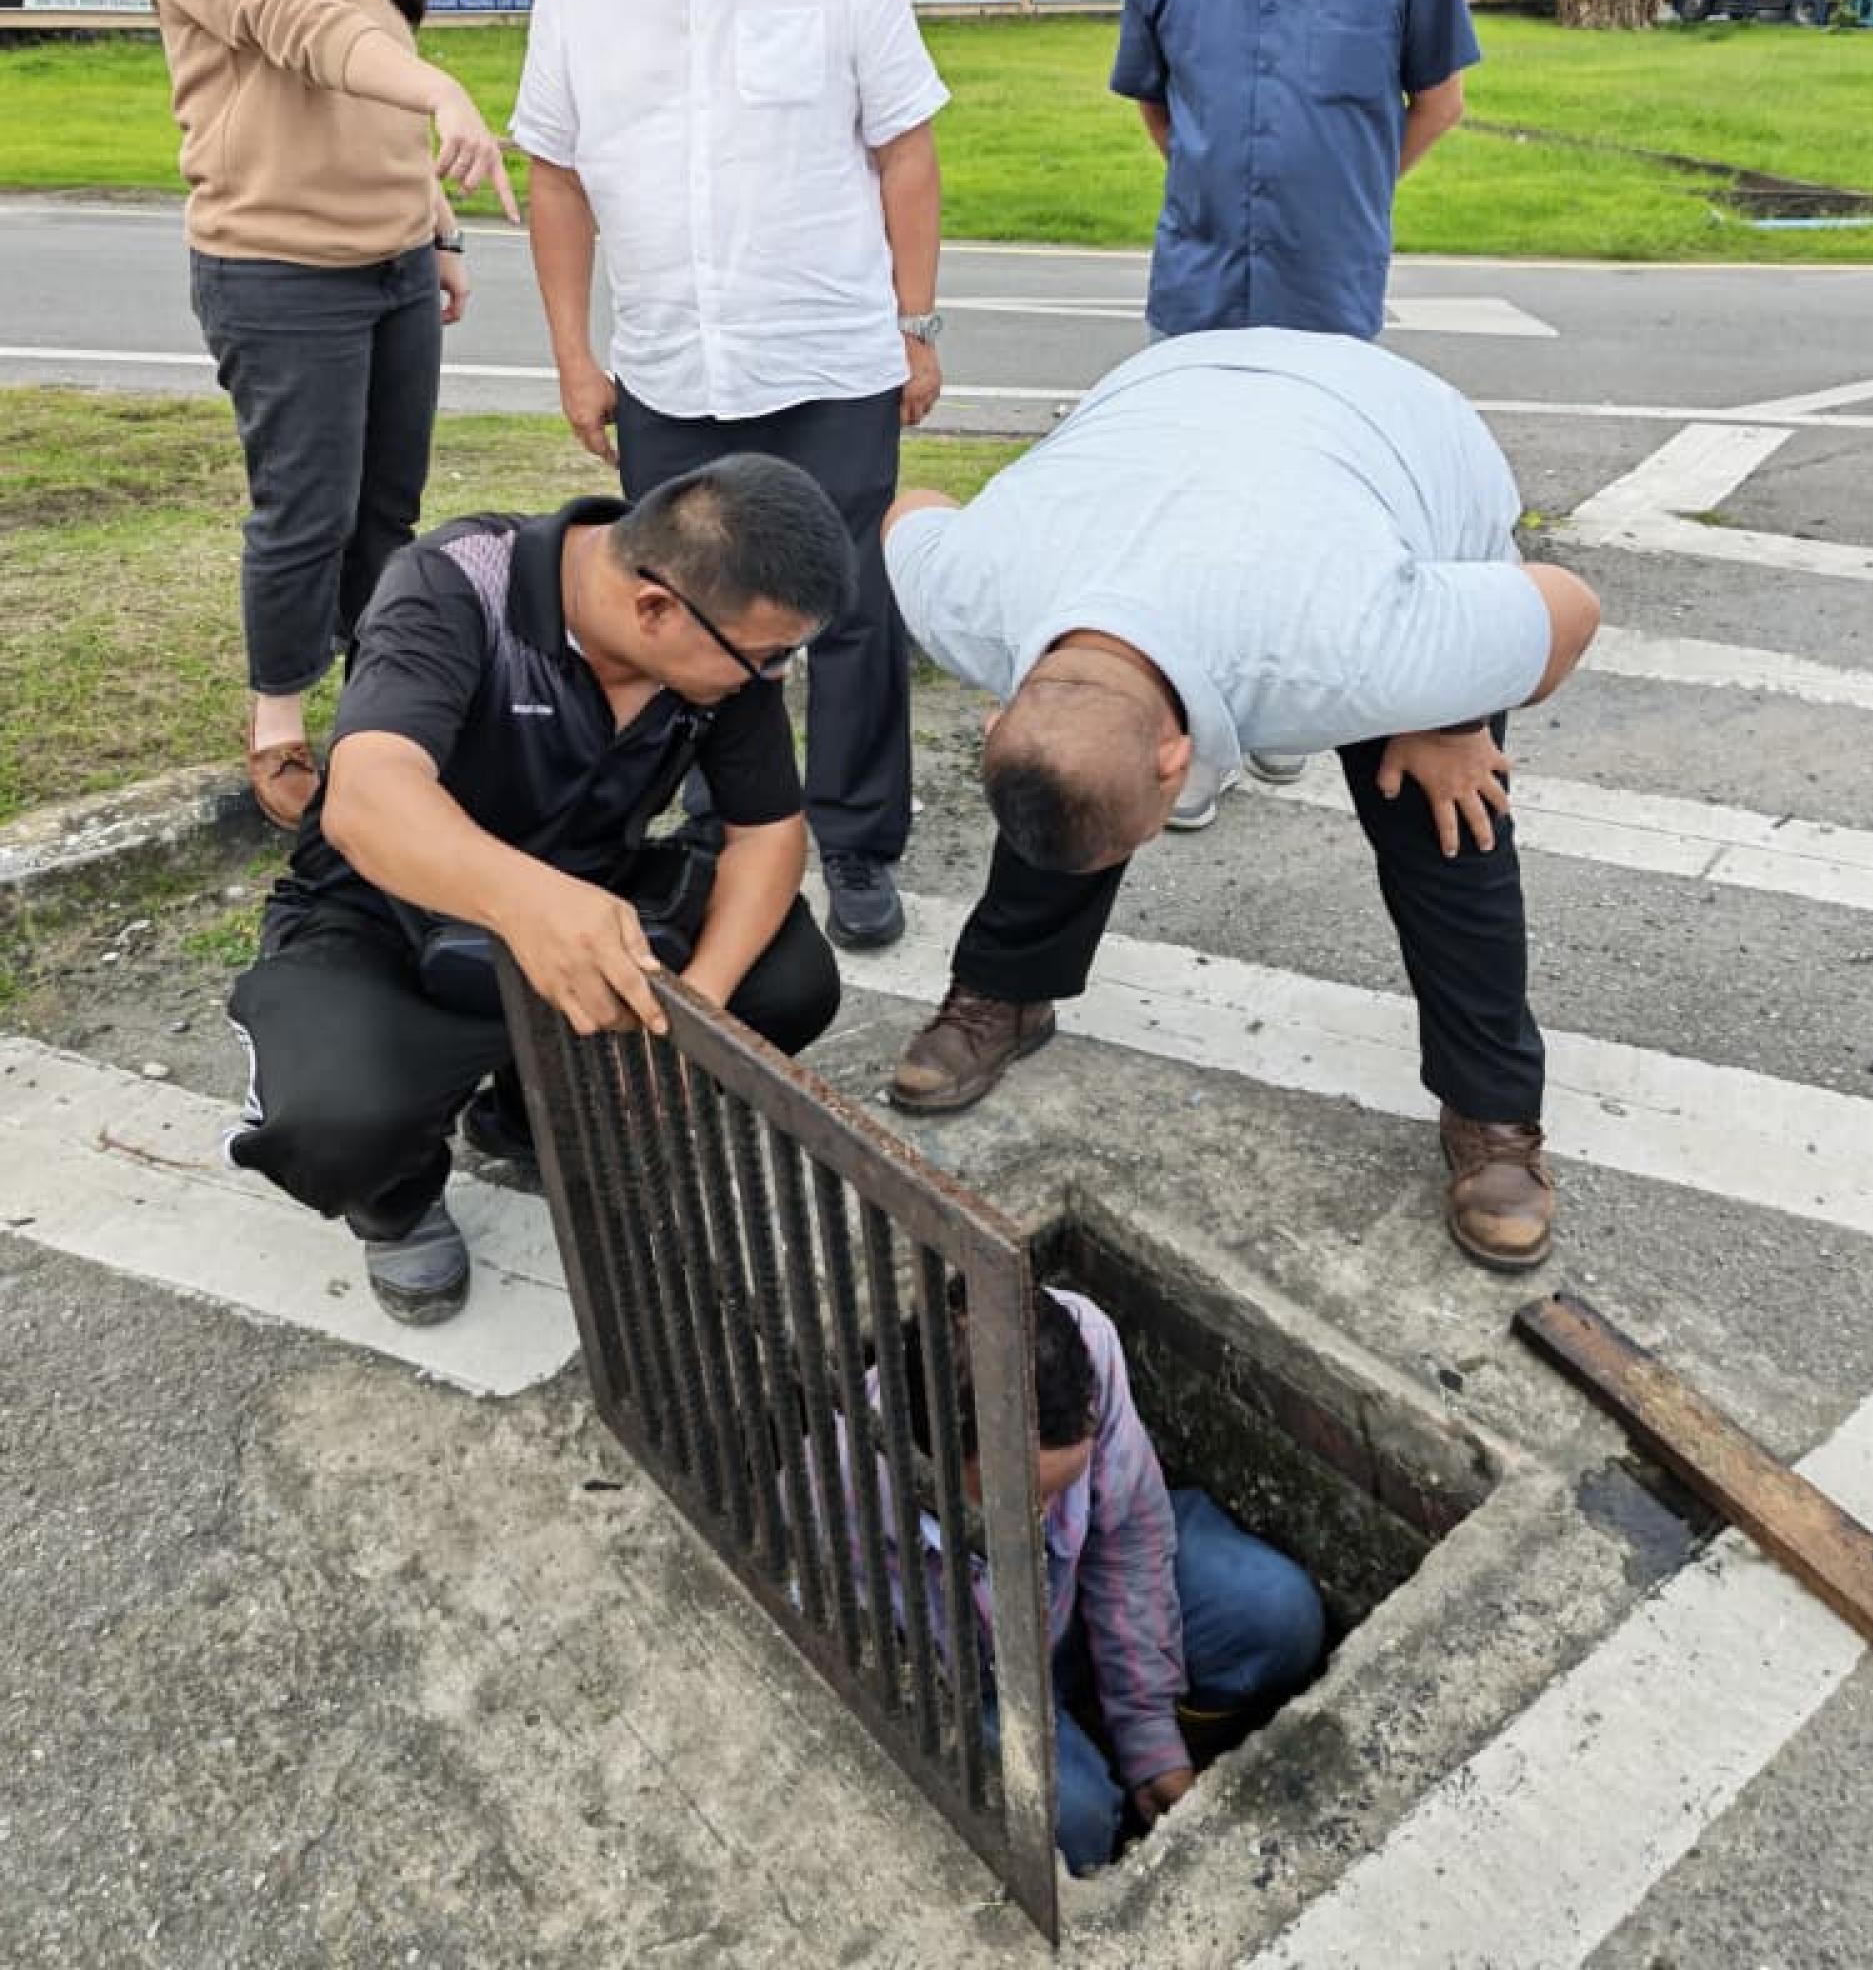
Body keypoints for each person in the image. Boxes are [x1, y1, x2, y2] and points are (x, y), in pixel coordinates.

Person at [880, 331, 1601, 1274]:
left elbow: (1567, 604)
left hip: (1392, 428)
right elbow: (915, 510)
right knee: (1062, 772)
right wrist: (1043, 709)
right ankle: (1004, 994)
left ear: (1184, 764)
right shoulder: (967, 598)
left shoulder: (1348, 646)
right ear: (992, 712)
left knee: (1444, 813)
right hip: (1175, 400)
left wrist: (1454, 712)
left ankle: (1494, 1111)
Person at [510, 0, 948, 954]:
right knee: (683, 608)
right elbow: (556, 171)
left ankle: (859, 841)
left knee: (849, 607)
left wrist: (915, 323)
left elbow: (902, 149)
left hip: (826, 355)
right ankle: (718, 825)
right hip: (668, 365)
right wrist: (575, 355)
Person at [222, 456, 853, 1325]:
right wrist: (527, 904)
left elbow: (768, 832)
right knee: (335, 1122)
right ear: (655, 608)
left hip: (586, 884)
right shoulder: (453, 589)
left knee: (783, 982)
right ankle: (397, 1202)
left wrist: (696, 1011)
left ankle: (530, 1117)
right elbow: (369, 796)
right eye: (768, 656)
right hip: (389, 913)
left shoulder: (721, 639)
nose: (771, 677)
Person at [138, 0, 519, 829]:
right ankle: (278, 721)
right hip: (277, 268)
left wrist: (439, 230)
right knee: (303, 511)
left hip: (396, 261)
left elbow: (371, 102)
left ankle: (381, 709)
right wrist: (443, 86)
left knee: (386, 510)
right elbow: (305, 32)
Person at [1118, 0, 1480, 828]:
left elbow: (1439, 100)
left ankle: (1296, 718)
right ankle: (1208, 735)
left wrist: (1346, 199)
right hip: (1201, 294)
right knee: (1201, 518)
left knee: (1315, 519)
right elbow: (1159, 113)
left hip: (1329, 295)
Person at [884, 1282, 1323, 1875]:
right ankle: (1098, 1780)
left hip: (1079, 1603)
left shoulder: (1083, 1349)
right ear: (932, 1463)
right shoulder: (847, 1493)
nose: (1040, 1516)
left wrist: (1148, 1733)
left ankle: (1133, 1739)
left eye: (1060, 1488)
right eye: (1017, 1500)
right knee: (1075, 1822)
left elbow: (1128, 1540)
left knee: (1278, 1613)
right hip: (982, 1681)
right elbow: (903, 1704)